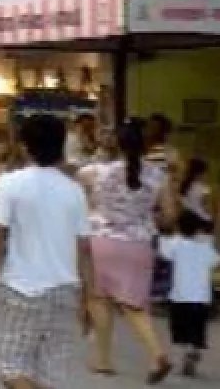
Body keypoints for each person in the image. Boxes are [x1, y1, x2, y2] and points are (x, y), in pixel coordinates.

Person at [0, 114, 95, 389]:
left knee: (10, 366)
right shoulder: (75, 191)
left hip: (21, 288)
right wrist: (87, 300)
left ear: (25, 147)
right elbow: (84, 249)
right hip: (65, 291)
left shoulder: (11, 183)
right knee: (49, 373)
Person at [82, 120, 178, 382]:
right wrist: (143, 219)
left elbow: (77, 191)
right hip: (139, 244)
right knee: (134, 304)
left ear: (116, 144)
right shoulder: (159, 176)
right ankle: (156, 354)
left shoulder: (95, 172)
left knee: (98, 299)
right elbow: (170, 215)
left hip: (101, 241)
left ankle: (104, 359)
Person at [161, 211, 220, 377]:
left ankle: (186, 351)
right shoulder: (205, 247)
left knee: (180, 328)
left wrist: (170, 232)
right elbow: (216, 261)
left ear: (179, 227)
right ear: (198, 229)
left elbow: (164, 253)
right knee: (197, 328)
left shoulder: (175, 243)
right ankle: (194, 350)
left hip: (179, 296)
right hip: (201, 298)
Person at [180, 157, 214, 231]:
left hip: (186, 221)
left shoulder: (184, 186)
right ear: (200, 173)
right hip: (203, 222)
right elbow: (207, 208)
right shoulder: (204, 189)